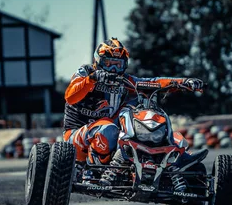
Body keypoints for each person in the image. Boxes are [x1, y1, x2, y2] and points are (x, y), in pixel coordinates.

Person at [63, 37, 205, 186]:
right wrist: (92, 79)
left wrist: (184, 82)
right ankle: (89, 171)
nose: (113, 69)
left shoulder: (125, 81)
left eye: (118, 65)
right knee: (108, 129)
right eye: (109, 63)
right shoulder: (86, 72)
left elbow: (154, 82)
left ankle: (168, 164)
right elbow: (70, 96)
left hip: (110, 134)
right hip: (76, 135)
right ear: (98, 61)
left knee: (135, 122)